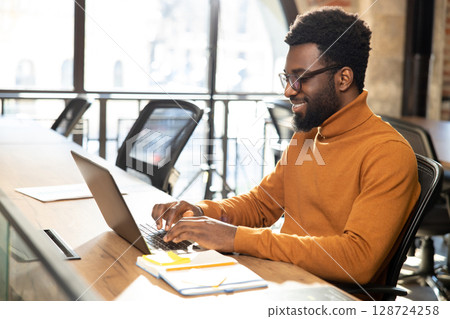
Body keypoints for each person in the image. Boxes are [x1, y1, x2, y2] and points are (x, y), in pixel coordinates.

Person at [152, 7, 420, 289]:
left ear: (343, 78)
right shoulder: (308, 135)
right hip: (283, 280)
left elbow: (357, 261)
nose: (288, 91)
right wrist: (202, 212)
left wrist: (235, 238)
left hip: (331, 298)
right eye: (287, 78)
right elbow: (261, 204)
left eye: (300, 77)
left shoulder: (387, 153)